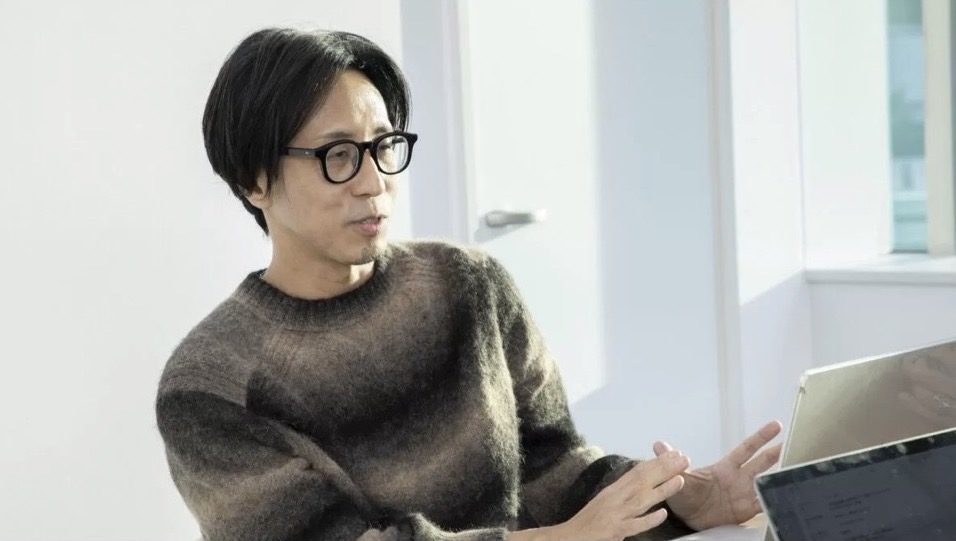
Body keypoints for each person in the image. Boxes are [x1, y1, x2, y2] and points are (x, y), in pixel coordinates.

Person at [155, 27, 783, 541]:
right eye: (338, 155)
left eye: (384, 146)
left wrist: (678, 501)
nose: (374, 182)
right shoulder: (210, 385)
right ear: (254, 179)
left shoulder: (468, 285)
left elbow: (552, 464)